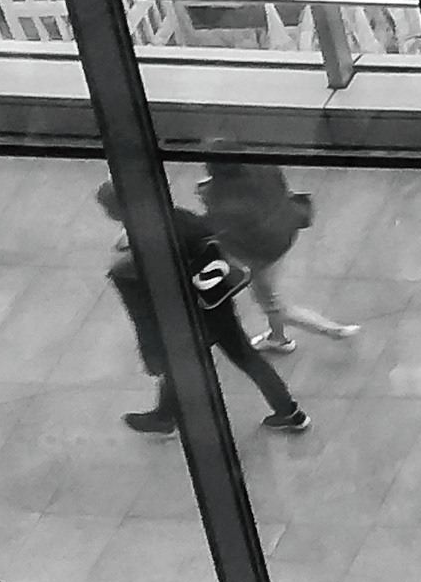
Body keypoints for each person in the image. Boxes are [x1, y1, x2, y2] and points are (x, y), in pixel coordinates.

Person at [99, 180, 304, 435]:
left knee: (179, 365)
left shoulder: (138, 254)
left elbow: (143, 310)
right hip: (214, 299)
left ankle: (163, 418)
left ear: (117, 210)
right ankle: (289, 412)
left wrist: (150, 349)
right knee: (245, 357)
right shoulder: (176, 216)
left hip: (187, 312)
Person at [198, 159, 359, 352]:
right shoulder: (264, 167)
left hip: (259, 252)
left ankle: (332, 330)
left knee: (272, 304)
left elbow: (217, 224)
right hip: (283, 234)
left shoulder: (220, 197)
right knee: (269, 296)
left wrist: (207, 196)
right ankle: (277, 337)